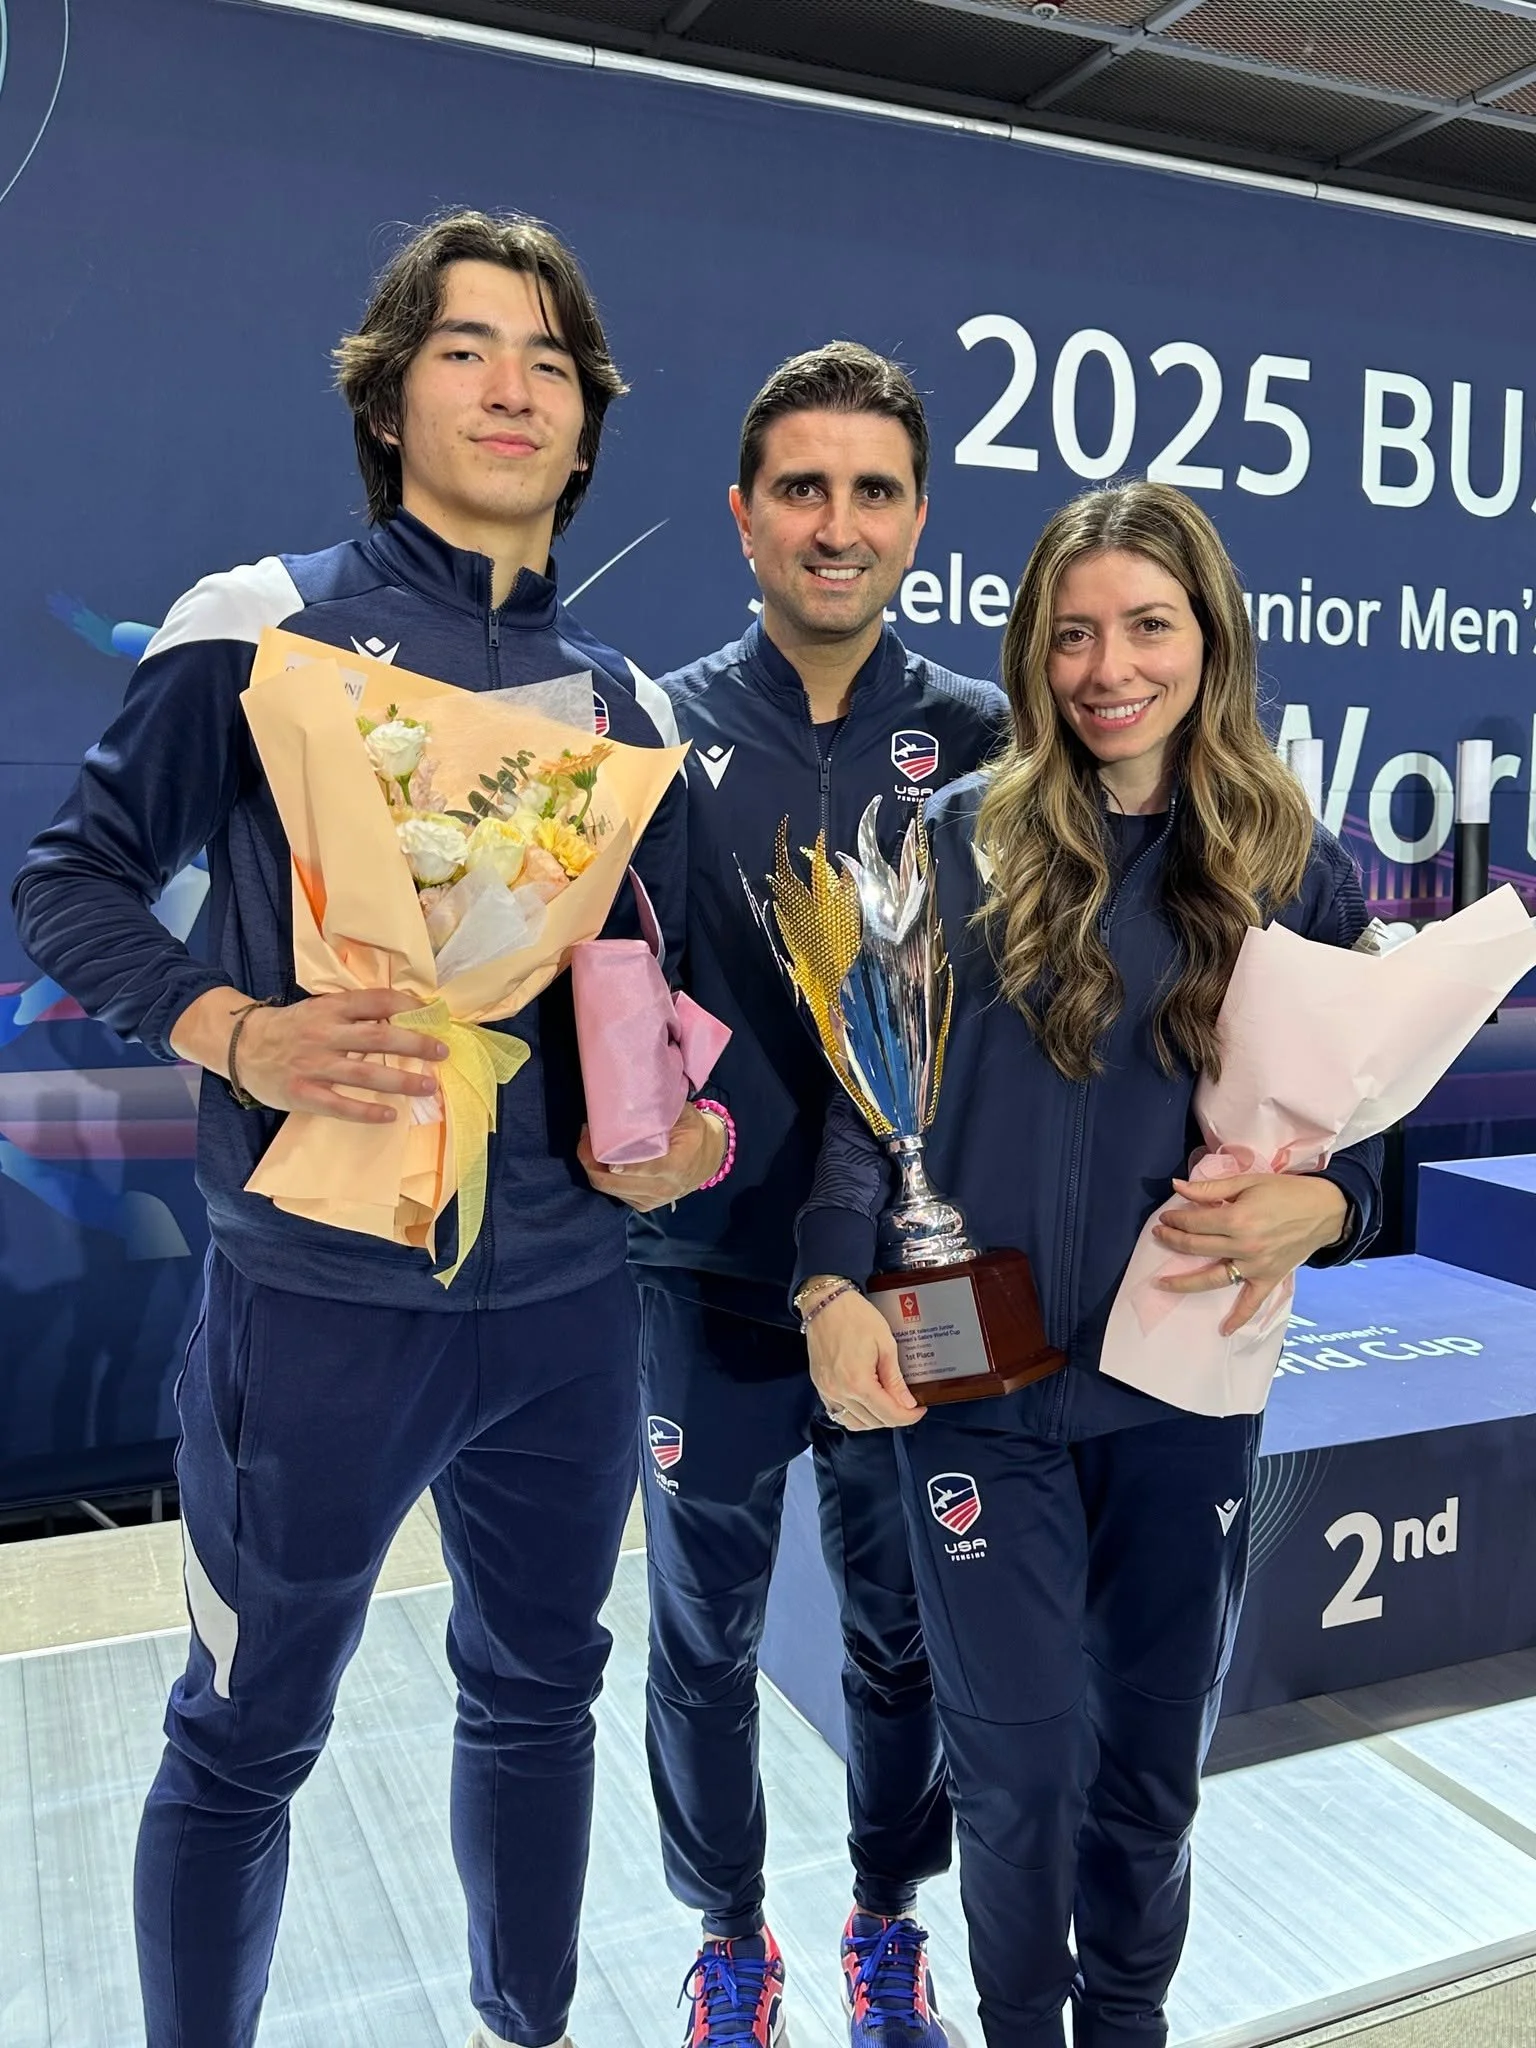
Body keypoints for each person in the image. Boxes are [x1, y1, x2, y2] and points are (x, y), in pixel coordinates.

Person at [11, 211, 722, 2048]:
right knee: (246, 1734)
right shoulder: (261, 628)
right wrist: (237, 1026)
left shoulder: (629, 711)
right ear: (389, 401)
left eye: (551, 361)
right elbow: (73, 884)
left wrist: (683, 1143)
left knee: (543, 1693)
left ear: (587, 427)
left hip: (567, 1316)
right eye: (468, 348)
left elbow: (669, 1027)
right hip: (312, 1315)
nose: (513, 385)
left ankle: (529, 2022)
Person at [791, 480, 1384, 2048]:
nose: (1109, 667)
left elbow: (1354, 1139)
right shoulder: (948, 843)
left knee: (1145, 1769)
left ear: (1212, 639)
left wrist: (1321, 1214)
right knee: (1017, 1765)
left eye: (1147, 626)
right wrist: (831, 1283)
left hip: (1182, 1389)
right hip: (974, 1390)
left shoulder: (1293, 867)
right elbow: (872, 1111)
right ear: (1030, 654)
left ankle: (1130, 2022)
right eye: (1071, 636)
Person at [583, 342, 1008, 2047]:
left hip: (923, 1276)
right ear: (746, 517)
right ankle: (733, 1937)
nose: (840, 526)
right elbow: (599, 996)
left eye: (876, 491)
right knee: (703, 1632)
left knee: (913, 1627)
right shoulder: (656, 733)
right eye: (805, 490)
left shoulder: (984, 741)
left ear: (918, 520)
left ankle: (888, 1928)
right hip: (706, 1274)